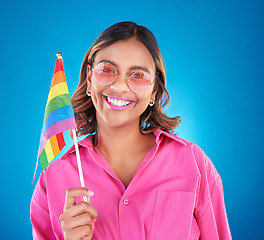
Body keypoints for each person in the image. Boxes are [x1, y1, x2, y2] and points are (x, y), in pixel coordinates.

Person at [30, 21, 232, 240]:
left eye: (138, 75)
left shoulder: (194, 164)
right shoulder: (52, 181)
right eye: (107, 70)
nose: (119, 86)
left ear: (154, 90)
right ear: (89, 79)